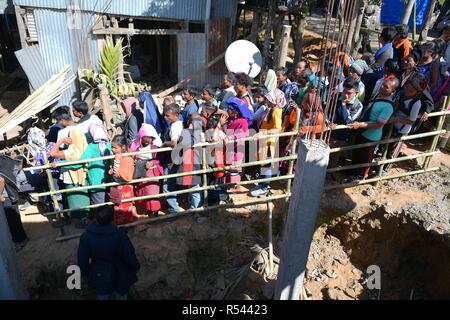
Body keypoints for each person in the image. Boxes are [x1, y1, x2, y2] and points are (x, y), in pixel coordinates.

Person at [77, 205, 140, 300]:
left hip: (99, 275)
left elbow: (82, 261)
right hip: (120, 274)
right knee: (121, 296)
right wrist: (135, 266)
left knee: (103, 296)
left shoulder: (86, 237)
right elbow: (129, 255)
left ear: (95, 219)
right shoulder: (120, 236)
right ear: (112, 219)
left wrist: (86, 274)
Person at [348, 78, 399, 180]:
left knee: (366, 159)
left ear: (392, 91)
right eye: (383, 85)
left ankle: (361, 176)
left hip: (371, 136)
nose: (382, 87)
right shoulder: (379, 97)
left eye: (386, 87)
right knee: (357, 154)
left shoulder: (388, 106)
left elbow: (378, 125)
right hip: (362, 131)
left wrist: (360, 125)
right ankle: (353, 173)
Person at [62, 123, 112, 207]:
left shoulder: (91, 147)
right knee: (108, 206)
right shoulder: (109, 145)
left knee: (98, 208)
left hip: (96, 183)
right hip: (109, 181)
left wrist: (60, 164)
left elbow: (79, 163)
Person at [50, 127, 90, 225]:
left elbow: (52, 153)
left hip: (71, 179)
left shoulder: (70, 152)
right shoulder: (86, 149)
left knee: (75, 199)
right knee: (83, 198)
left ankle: (83, 221)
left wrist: (61, 140)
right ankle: (85, 219)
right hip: (83, 178)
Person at [250, 89, 284, 197]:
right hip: (265, 141)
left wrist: (263, 133)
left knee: (267, 165)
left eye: (270, 99)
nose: (267, 100)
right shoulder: (271, 109)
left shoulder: (276, 111)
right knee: (263, 163)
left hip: (269, 142)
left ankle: (264, 187)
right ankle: (261, 184)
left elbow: (277, 129)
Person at [130, 124, 163, 216]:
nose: (149, 140)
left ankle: (155, 211)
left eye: (151, 138)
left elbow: (159, 158)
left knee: (152, 191)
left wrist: (153, 162)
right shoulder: (135, 145)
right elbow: (132, 156)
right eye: (147, 137)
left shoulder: (155, 146)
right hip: (140, 171)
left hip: (152, 171)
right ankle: (148, 209)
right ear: (141, 136)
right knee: (143, 191)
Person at [27, 127, 63, 213]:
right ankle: (54, 211)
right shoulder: (51, 145)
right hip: (49, 174)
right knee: (52, 193)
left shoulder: (41, 149)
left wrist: (44, 168)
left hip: (53, 174)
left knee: (55, 194)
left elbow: (57, 159)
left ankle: (60, 214)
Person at [329, 79, 363, 168]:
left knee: (333, 157)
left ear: (356, 93)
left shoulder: (357, 105)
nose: (345, 95)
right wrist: (329, 122)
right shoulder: (336, 96)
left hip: (341, 136)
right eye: (344, 91)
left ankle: (328, 175)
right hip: (328, 131)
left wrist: (343, 104)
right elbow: (327, 111)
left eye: (349, 93)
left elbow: (348, 122)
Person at [0, 156, 29, 251]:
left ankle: (20, 241)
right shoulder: (5, 163)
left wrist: (0, 194)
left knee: (12, 221)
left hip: (7, 197)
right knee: (15, 219)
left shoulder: (3, 163)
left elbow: (1, 180)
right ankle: (22, 239)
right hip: (11, 195)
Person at [161, 104, 185, 213]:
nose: (166, 118)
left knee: (167, 185)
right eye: (165, 116)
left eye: (168, 116)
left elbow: (174, 143)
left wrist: (164, 143)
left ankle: (174, 209)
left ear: (176, 115)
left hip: (172, 158)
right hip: (178, 157)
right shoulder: (179, 124)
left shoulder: (175, 127)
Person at [109, 135, 137, 225]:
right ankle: (119, 226)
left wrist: (116, 162)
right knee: (117, 207)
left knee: (125, 208)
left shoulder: (127, 159)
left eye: (115, 148)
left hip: (124, 188)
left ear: (123, 147)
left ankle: (127, 227)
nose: (113, 150)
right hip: (116, 186)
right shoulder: (118, 157)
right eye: (112, 147)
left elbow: (123, 175)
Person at [223, 97, 252, 184]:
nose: (227, 110)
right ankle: (228, 187)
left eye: (229, 109)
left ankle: (234, 187)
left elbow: (245, 134)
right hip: (228, 149)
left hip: (236, 150)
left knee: (234, 170)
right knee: (228, 170)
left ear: (235, 111)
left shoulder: (243, 122)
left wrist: (231, 137)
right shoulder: (230, 119)